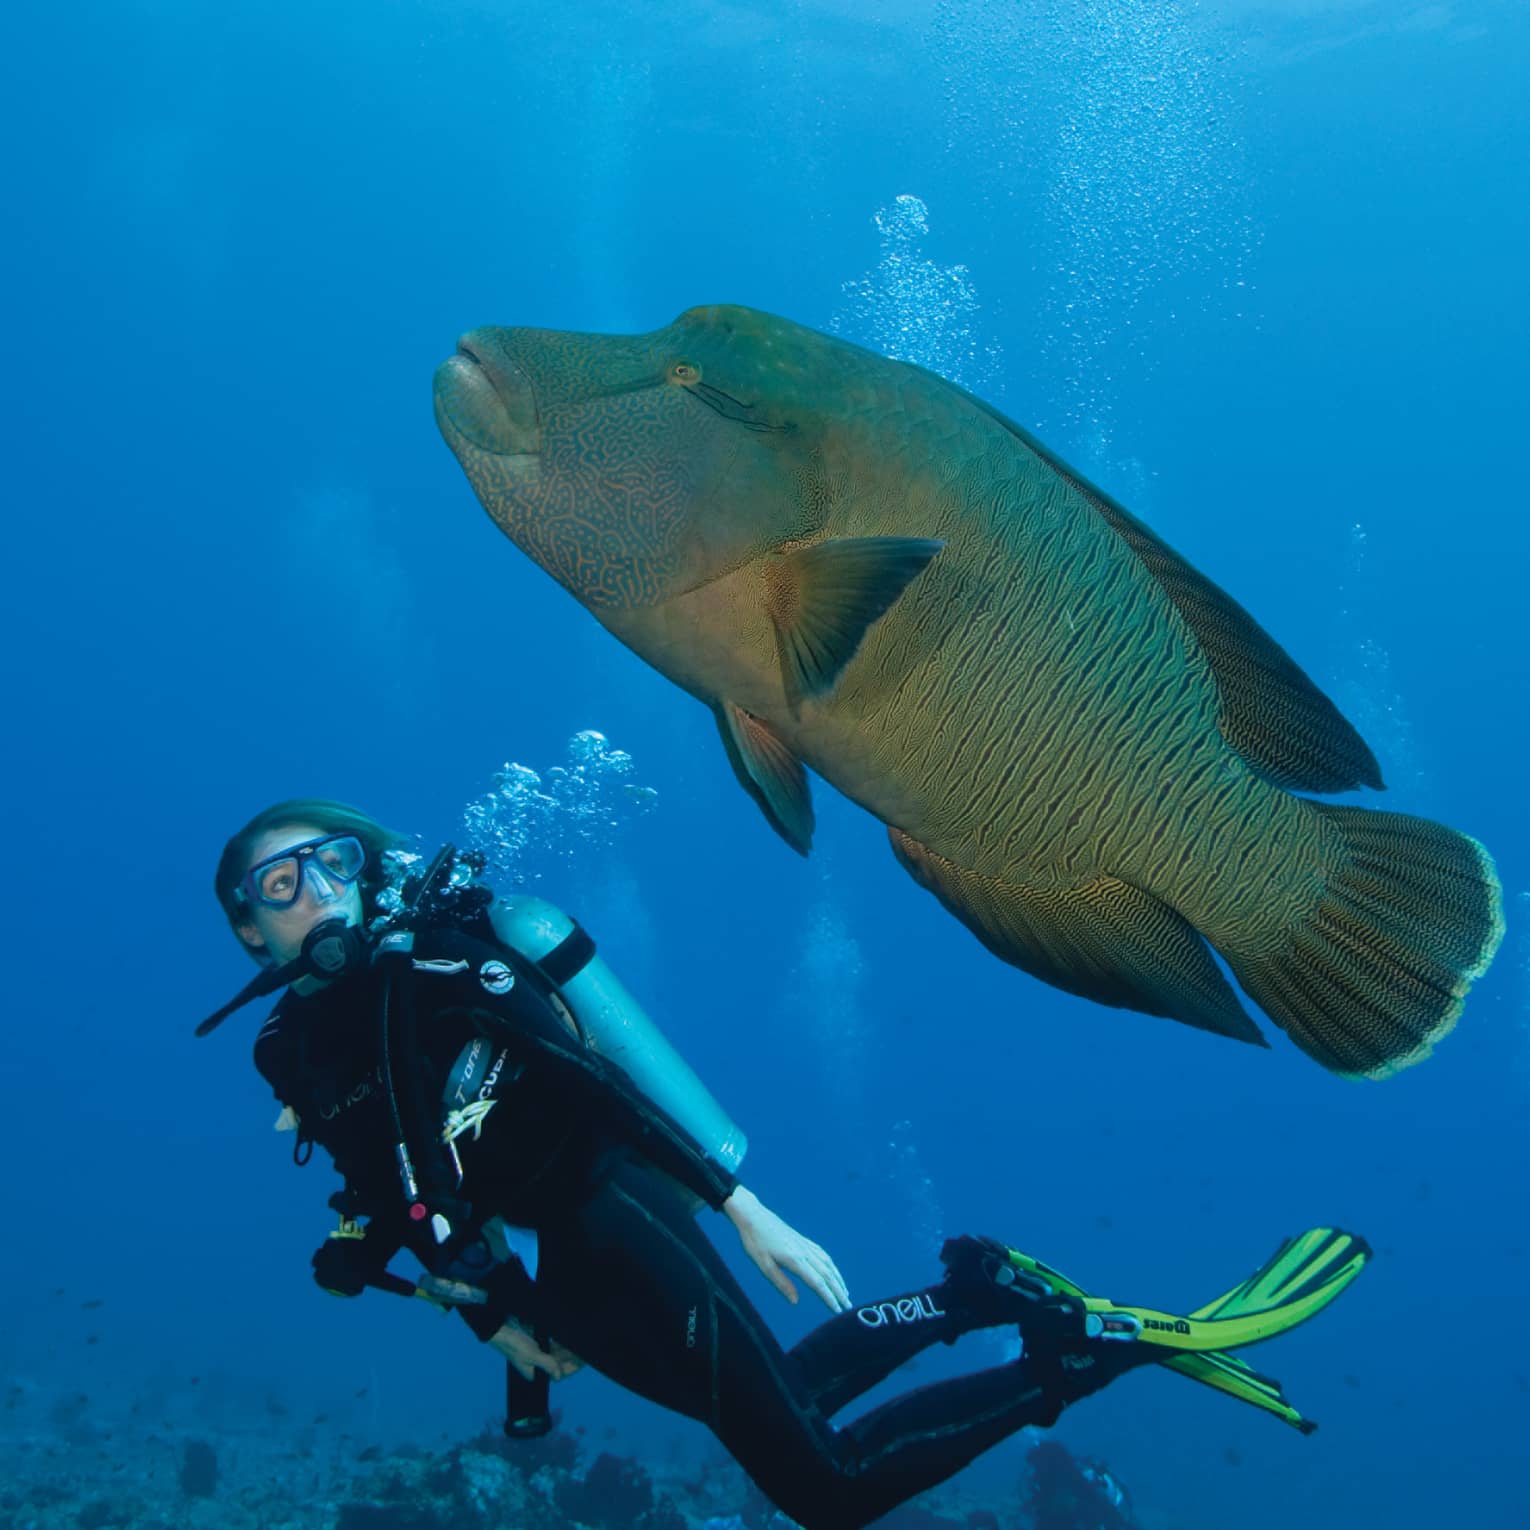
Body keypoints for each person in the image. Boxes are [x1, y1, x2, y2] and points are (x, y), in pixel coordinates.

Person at [203, 799, 1370, 1530]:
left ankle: (1076, 1352)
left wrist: (742, 1204)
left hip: (624, 1195)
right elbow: (393, 1187)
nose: (318, 894)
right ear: (248, 933)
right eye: (279, 885)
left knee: (824, 1488)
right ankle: (972, 1293)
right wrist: (494, 1319)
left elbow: (592, 1084)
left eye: (330, 862)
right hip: (557, 1251)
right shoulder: (288, 1050)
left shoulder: (440, 969)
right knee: (781, 1400)